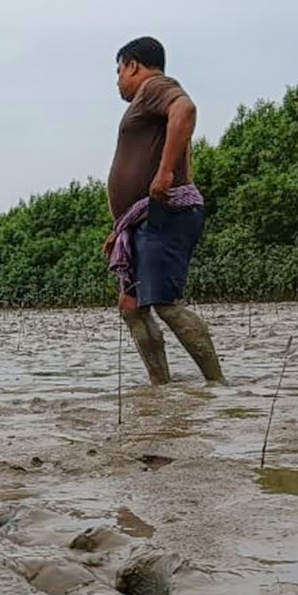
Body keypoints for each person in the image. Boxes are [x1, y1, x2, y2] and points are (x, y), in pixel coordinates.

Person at [102, 37, 224, 385]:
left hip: (165, 214)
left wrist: (166, 172)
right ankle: (161, 390)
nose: (117, 82)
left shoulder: (156, 86)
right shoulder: (146, 98)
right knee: (132, 308)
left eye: (118, 71)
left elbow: (185, 109)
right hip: (141, 222)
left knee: (165, 304)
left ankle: (218, 385)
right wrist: (119, 229)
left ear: (132, 65)